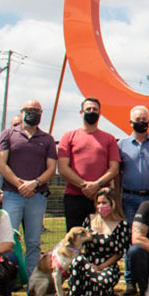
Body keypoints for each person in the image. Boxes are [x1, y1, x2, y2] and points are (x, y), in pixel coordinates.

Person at [0, 99, 58, 275]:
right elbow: (1, 164)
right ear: (22, 112)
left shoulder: (47, 139)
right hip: (12, 195)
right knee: (8, 239)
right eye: (29, 110)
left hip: (37, 196)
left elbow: (51, 168)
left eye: (37, 111)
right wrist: (19, 184)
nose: (33, 113)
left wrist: (35, 183)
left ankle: (32, 281)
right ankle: (9, 279)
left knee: (33, 242)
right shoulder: (8, 135)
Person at [57, 97, 120, 231]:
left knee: (102, 236)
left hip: (102, 197)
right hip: (74, 196)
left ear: (99, 113)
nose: (91, 112)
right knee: (75, 237)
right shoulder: (68, 136)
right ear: (81, 112)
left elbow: (114, 168)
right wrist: (84, 185)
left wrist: (97, 185)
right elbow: (62, 167)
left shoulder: (110, 139)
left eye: (95, 109)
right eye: (88, 109)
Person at [66, 187, 131, 296]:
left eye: (104, 203)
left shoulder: (122, 225)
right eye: (98, 203)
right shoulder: (89, 220)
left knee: (100, 280)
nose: (100, 206)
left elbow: (119, 253)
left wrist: (100, 267)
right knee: (77, 262)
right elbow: (78, 244)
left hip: (107, 266)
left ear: (113, 203)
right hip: (88, 263)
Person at [118, 105, 149, 295]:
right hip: (129, 198)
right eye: (137, 120)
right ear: (130, 122)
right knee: (130, 240)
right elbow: (117, 173)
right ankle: (129, 280)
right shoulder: (121, 145)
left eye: (144, 119)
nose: (141, 123)